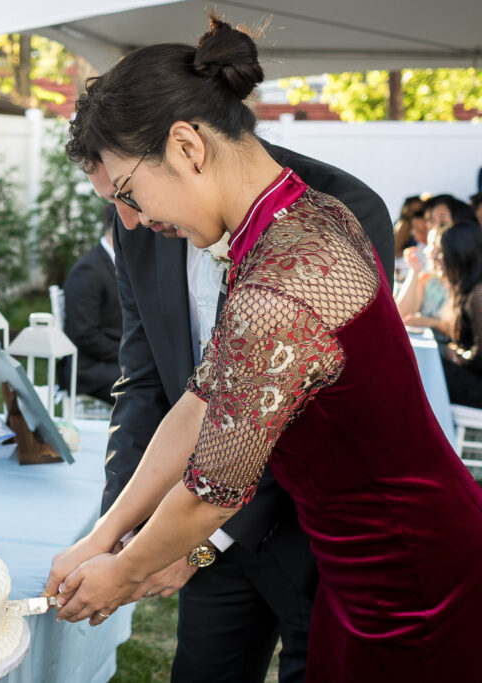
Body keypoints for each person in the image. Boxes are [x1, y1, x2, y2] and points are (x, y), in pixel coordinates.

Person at [42, 15, 482, 683]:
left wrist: (123, 574)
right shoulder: (290, 222)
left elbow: (212, 491)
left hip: (407, 568)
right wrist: (101, 535)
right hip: (356, 559)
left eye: (131, 192)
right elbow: (198, 401)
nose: (135, 220)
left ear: (187, 145)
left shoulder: (281, 273)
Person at [59, 203, 123, 404]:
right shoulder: (88, 271)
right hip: (88, 369)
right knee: (147, 386)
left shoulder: (120, 264)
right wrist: (129, 355)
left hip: (110, 360)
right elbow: (85, 334)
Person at [436, 221, 482, 408]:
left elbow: (480, 358)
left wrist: (459, 356)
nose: (436, 257)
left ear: (460, 254)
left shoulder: (478, 294)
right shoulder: (467, 290)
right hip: (472, 379)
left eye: (441, 251)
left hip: (478, 388)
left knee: (427, 369)